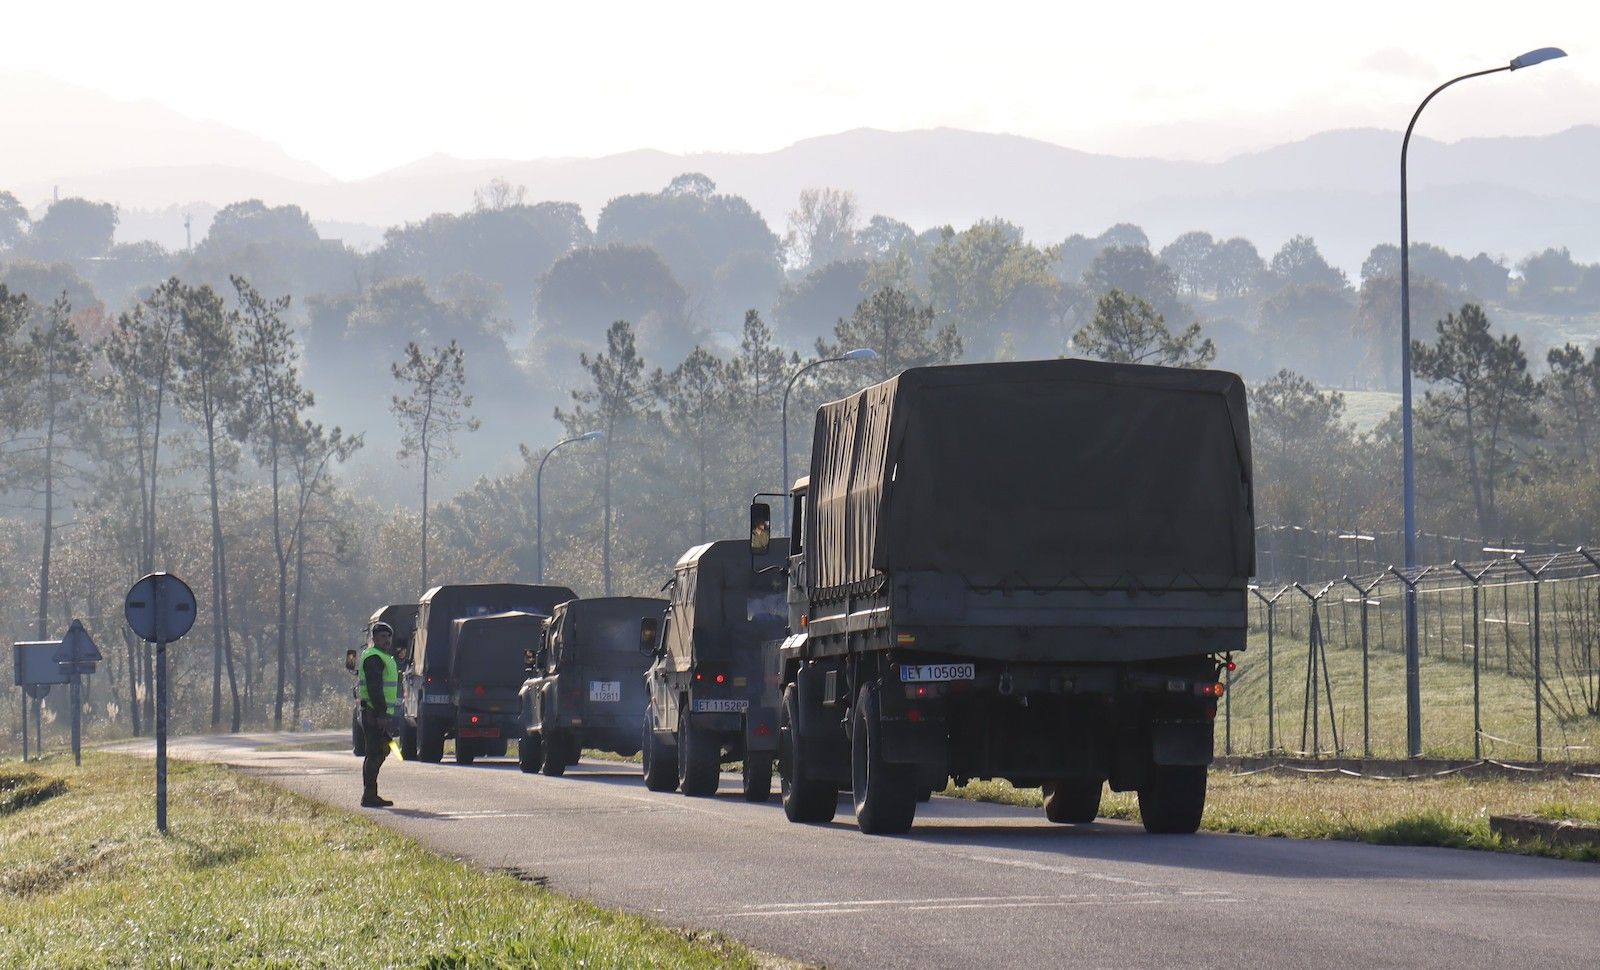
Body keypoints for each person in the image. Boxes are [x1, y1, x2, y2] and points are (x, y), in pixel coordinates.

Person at [358, 622, 401, 807]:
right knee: (375, 753)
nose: (386, 640)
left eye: (388, 636)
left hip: (379, 713)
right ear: (374, 639)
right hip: (374, 713)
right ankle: (369, 795)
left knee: (381, 750)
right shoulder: (373, 658)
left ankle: (370, 793)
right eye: (382, 636)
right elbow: (375, 689)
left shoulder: (384, 657)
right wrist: (382, 714)